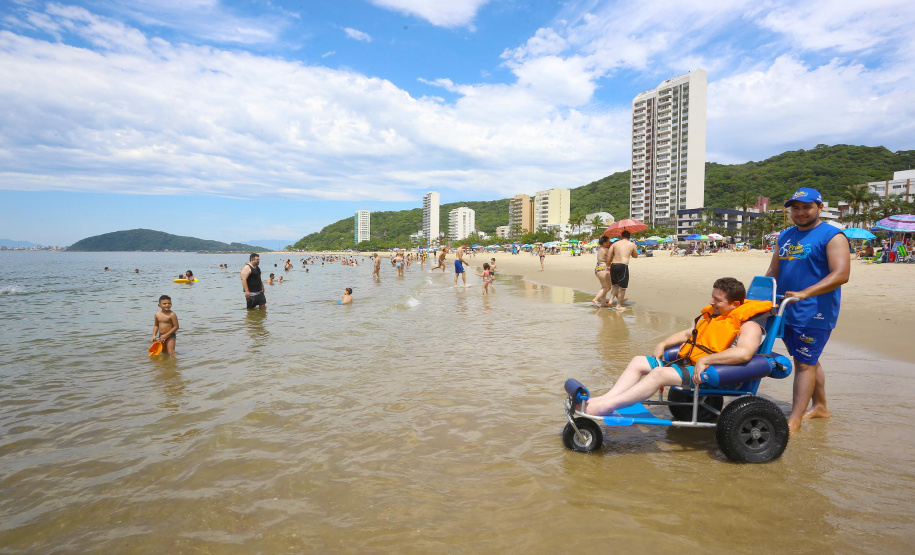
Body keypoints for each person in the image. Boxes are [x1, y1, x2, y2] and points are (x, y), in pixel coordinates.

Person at [581, 278, 770, 416]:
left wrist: (705, 359)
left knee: (658, 374)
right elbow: (690, 333)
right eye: (712, 297)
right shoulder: (717, 316)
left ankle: (607, 406)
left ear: (735, 304)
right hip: (692, 364)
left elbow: (744, 353)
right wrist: (663, 343)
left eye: (718, 300)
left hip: (717, 371)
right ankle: (603, 400)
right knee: (638, 361)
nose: (712, 302)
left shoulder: (749, 326)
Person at [765, 187, 850, 435]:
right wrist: (755, 296)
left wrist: (806, 293)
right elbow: (773, 271)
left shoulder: (833, 236)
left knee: (804, 363)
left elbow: (841, 274)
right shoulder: (785, 236)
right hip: (785, 308)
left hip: (815, 311)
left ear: (820, 207)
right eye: (796, 208)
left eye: (807, 207)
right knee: (807, 359)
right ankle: (821, 406)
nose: (800, 212)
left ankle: (795, 419)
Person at [607, 230, 638, 310]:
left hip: (613, 265)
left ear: (621, 236)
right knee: (623, 287)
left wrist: (607, 265)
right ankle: (618, 306)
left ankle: (611, 300)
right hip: (623, 265)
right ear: (629, 237)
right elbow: (635, 256)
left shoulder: (615, 244)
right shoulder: (632, 244)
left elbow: (609, 254)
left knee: (615, 285)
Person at [591, 235, 612, 307]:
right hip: (603, 269)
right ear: (604, 243)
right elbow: (612, 257)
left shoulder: (600, 249)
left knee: (604, 286)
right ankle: (596, 299)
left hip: (598, 269)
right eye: (608, 242)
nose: (609, 243)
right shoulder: (606, 250)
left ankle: (603, 302)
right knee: (607, 287)